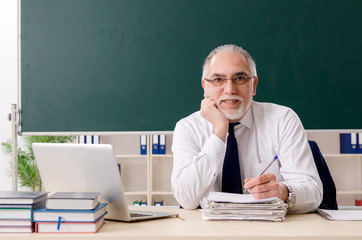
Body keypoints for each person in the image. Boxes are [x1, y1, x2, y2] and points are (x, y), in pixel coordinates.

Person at [171, 44, 322, 213]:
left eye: (240, 78)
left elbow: (313, 193)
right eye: (218, 80)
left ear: (254, 85)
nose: (230, 89)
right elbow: (187, 199)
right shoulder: (187, 128)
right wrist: (220, 131)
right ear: (205, 86)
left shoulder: (283, 119)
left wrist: (283, 192)